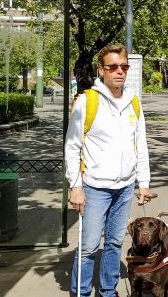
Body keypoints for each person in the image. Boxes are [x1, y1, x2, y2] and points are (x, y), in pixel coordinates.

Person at [65, 44, 156, 297]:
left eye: (124, 67)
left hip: (125, 187)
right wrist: (75, 187)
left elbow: (141, 145)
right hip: (94, 187)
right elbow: (72, 146)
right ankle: (81, 292)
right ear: (101, 70)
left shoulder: (133, 102)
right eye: (113, 67)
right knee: (89, 246)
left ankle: (108, 291)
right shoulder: (87, 101)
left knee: (115, 243)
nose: (119, 72)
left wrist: (143, 183)